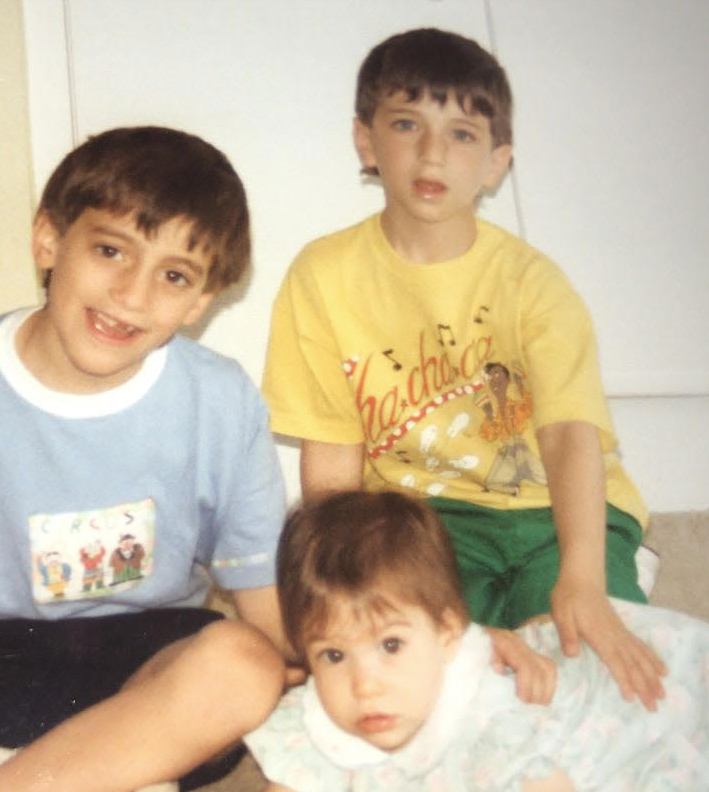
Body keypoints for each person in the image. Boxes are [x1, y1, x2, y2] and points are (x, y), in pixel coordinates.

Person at [0, 126, 290, 792]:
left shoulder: (220, 399)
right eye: (109, 250)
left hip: (140, 666)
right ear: (48, 240)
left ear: (199, 300)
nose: (131, 293)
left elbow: (266, 597)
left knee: (245, 665)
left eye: (173, 275)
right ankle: (70, 780)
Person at [261, 27, 666, 707]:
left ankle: (614, 570)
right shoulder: (322, 276)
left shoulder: (532, 282)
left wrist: (583, 579)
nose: (430, 152)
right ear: (365, 140)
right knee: (433, 674)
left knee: (584, 670)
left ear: (495, 163)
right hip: (425, 524)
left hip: (554, 511)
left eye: (461, 135)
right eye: (405, 123)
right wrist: (349, 589)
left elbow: (571, 436)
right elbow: (331, 466)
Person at [245, 490, 709, 792]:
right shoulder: (319, 722)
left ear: (448, 633)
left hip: (604, 703)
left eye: (390, 646)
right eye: (333, 654)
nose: (365, 685)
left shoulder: (491, 722)